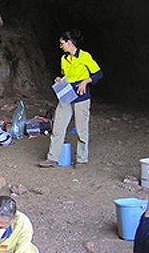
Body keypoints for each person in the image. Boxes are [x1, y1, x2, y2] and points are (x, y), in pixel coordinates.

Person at [39, 30, 103, 168]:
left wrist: (86, 81)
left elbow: (98, 74)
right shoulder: (64, 59)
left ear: (69, 43)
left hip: (81, 96)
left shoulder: (85, 57)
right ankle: (52, 159)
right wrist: (59, 79)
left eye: (62, 43)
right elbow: (65, 76)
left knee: (81, 129)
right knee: (58, 127)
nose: (61, 46)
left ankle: (81, 160)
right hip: (67, 95)